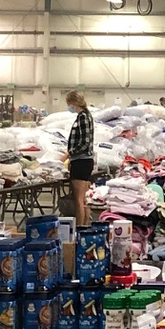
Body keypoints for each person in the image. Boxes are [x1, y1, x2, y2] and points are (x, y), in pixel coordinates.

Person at [65, 89, 95, 226]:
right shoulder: (86, 116)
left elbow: (85, 142)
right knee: (84, 200)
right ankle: (85, 226)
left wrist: (70, 152)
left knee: (78, 200)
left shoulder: (83, 117)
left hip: (81, 161)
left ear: (74, 102)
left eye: (69, 104)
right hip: (84, 161)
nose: (69, 107)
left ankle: (79, 228)